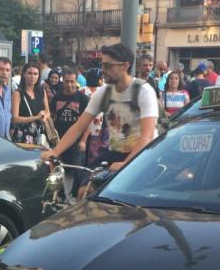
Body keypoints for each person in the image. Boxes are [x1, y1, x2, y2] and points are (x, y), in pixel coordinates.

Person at [41, 43, 159, 173]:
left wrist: (125, 163)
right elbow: (78, 127)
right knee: (83, 189)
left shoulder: (143, 91)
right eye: (102, 65)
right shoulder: (103, 92)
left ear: (125, 66)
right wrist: (55, 152)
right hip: (115, 152)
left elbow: (147, 136)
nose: (103, 70)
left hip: (143, 155)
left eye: (108, 66)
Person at [50, 67, 91, 195]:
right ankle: (59, 195)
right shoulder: (57, 97)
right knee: (59, 170)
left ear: (76, 81)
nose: (69, 85)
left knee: (77, 171)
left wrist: (83, 141)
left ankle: (75, 195)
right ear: (63, 81)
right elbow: (51, 117)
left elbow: (87, 123)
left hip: (77, 142)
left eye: (72, 81)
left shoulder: (83, 99)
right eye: (67, 81)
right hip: (60, 141)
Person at [11, 62, 51, 146]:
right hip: (23, 134)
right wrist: (35, 117)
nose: (32, 76)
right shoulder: (18, 93)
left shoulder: (42, 91)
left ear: (39, 76)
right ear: (24, 75)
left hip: (40, 133)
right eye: (29, 73)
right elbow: (15, 118)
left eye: (35, 74)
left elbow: (48, 112)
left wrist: (44, 117)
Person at [81, 67, 106, 170]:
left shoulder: (82, 90)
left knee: (83, 154)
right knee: (93, 155)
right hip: (98, 128)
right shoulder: (103, 89)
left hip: (83, 126)